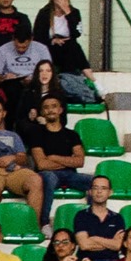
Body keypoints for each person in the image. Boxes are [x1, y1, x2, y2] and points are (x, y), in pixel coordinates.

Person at [23, 95, 87, 223]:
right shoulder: (36, 133)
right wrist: (69, 161)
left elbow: (80, 161)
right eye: (46, 108)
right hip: (48, 175)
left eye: (54, 106)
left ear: (60, 110)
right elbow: (41, 164)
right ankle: (44, 222)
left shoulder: (72, 134)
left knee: (97, 182)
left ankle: (93, 221)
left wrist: (54, 157)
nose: (50, 110)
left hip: (70, 175)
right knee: (49, 177)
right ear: (42, 112)